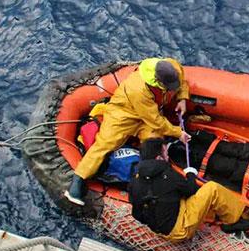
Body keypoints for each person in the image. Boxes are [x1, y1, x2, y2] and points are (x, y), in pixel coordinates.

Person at [65, 58, 192, 206]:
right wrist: (178, 132)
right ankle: (78, 181)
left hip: (147, 116)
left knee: (154, 142)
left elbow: (181, 81)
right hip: (123, 115)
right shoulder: (138, 89)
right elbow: (155, 120)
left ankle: (152, 179)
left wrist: (182, 98)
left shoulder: (172, 67)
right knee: (104, 145)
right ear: (157, 81)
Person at [129, 138, 249, 241]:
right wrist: (190, 174)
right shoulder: (167, 174)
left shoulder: (135, 179)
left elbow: (137, 214)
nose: (168, 156)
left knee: (171, 196)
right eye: (166, 153)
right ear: (159, 158)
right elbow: (192, 189)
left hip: (160, 229)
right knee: (212, 189)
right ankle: (234, 221)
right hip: (179, 230)